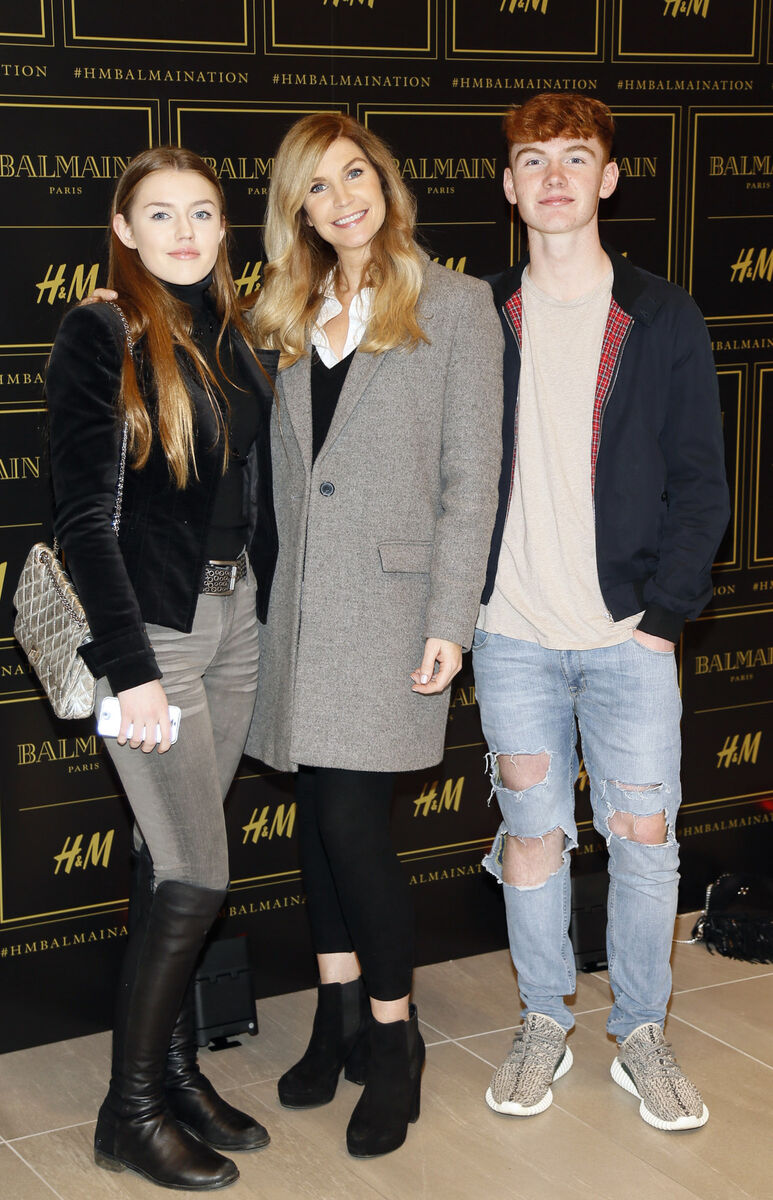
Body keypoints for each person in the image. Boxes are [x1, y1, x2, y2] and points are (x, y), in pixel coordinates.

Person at [246, 112, 503, 1157]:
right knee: (315, 825)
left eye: (355, 173)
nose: (341, 197)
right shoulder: (284, 307)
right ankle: (335, 1014)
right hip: (296, 612)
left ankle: (393, 1041)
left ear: (386, 183)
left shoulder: (456, 302)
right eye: (316, 186)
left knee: (351, 826)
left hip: (393, 614)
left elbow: (470, 478)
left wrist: (453, 619)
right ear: (296, 208)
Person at [473, 94, 729, 1131]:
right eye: (532, 160)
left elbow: (700, 484)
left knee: (641, 836)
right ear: (507, 186)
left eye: (574, 158)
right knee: (531, 837)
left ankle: (639, 1033)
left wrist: (662, 618)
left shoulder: (662, 315)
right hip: (510, 637)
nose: (553, 177)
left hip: (628, 637)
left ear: (608, 178)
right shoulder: (474, 315)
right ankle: (543, 1021)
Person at [46, 146, 279, 1191]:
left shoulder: (229, 332)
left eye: (202, 214)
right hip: (156, 638)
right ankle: (128, 1112)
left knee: (163, 860)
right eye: (161, 214)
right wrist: (128, 668)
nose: (185, 232)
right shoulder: (101, 330)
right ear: (124, 228)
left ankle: (175, 1075)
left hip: (235, 625)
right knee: (196, 872)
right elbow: (83, 521)